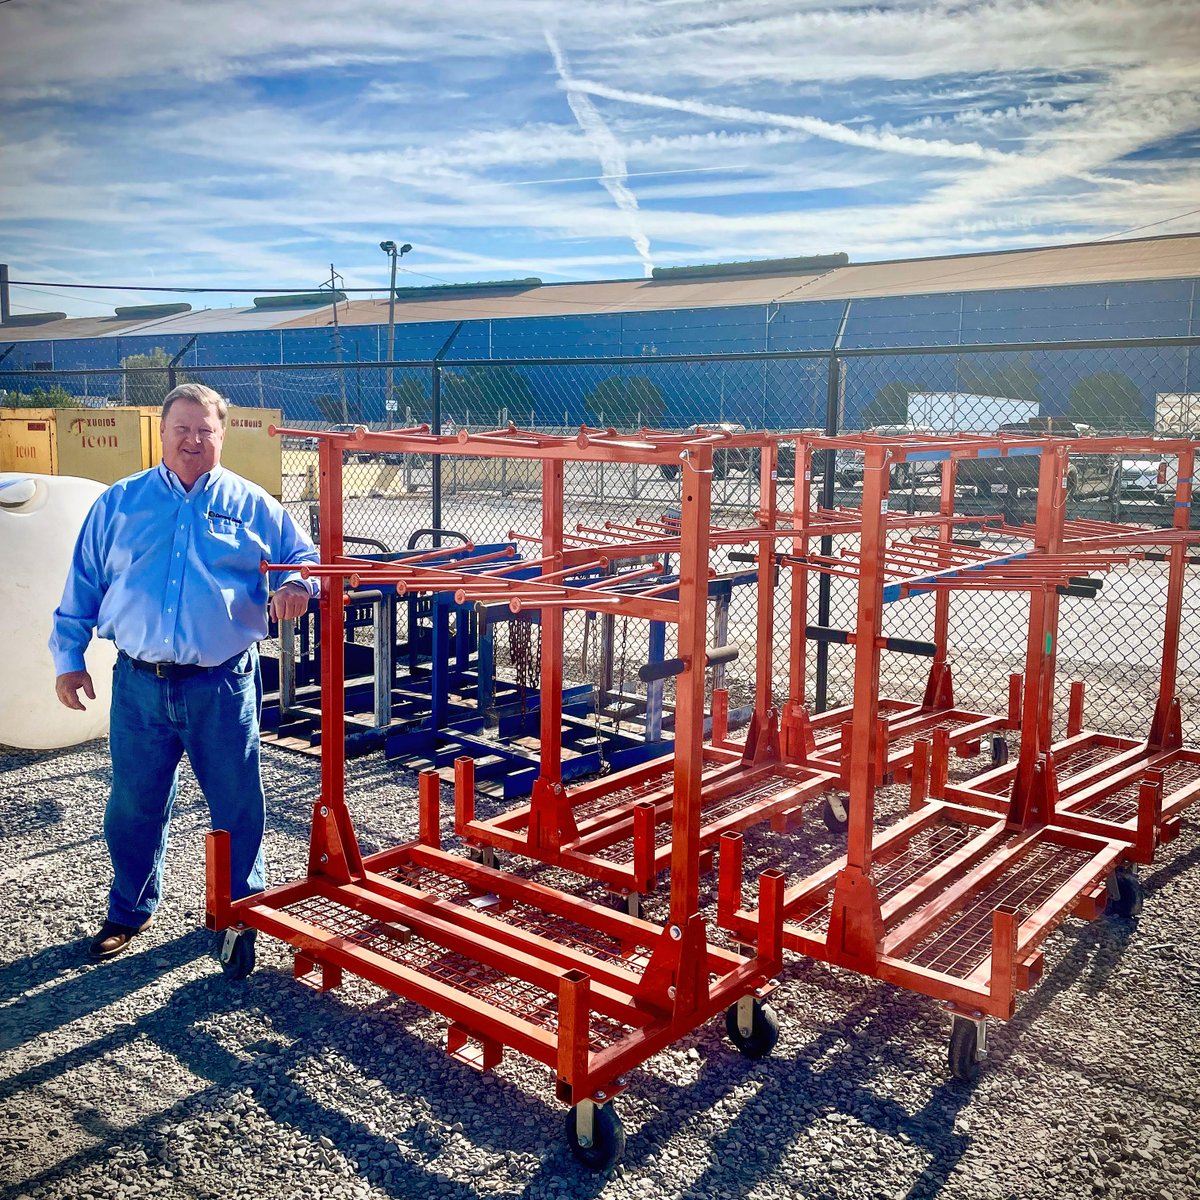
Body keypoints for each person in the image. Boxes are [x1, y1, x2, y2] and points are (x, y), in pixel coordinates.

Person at [50, 383, 319, 961]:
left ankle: (237, 913)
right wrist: (69, 660)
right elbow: (83, 583)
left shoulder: (253, 504)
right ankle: (128, 909)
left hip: (220, 684)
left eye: (205, 430)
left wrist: (296, 584)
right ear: (163, 432)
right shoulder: (119, 504)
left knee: (236, 803)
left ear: (222, 435)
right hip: (139, 686)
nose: (193, 440)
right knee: (133, 804)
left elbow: (302, 559)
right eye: (182, 429)